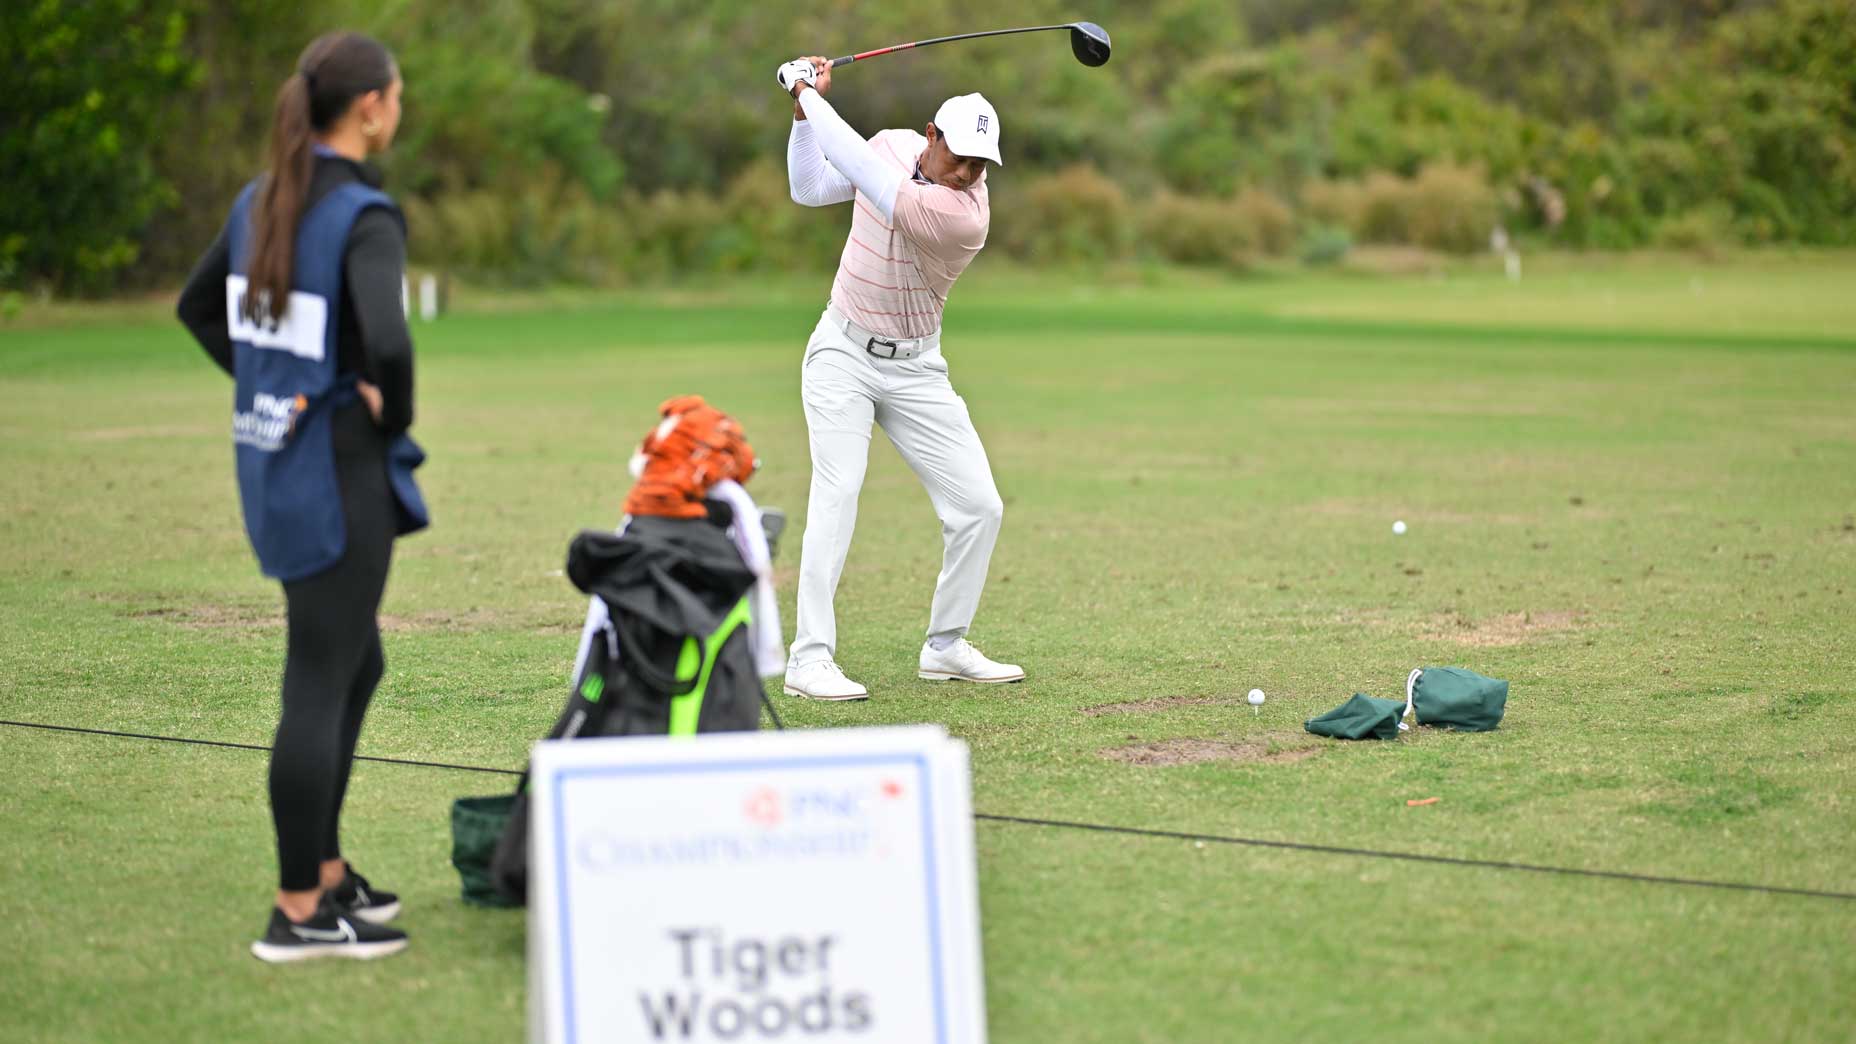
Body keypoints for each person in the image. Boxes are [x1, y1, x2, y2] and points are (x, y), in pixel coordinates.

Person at [177, 30, 427, 962]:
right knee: (320, 682)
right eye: (396, 96)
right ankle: (297, 912)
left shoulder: (261, 198)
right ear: (369, 107)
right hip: (335, 473)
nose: (398, 109)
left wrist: (269, 384)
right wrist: (385, 412)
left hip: (280, 465)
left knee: (355, 667)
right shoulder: (364, 212)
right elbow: (390, 349)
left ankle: (324, 873)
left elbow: (198, 311)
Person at [775, 56, 1024, 701]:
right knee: (838, 491)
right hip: (843, 353)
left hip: (917, 369)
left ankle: (945, 646)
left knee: (979, 507)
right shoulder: (891, 147)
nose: (970, 172)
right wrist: (805, 118)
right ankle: (809, 658)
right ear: (931, 136)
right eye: (962, 155)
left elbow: (860, 167)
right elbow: (812, 186)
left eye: (982, 164)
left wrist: (802, 86)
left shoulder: (963, 215)